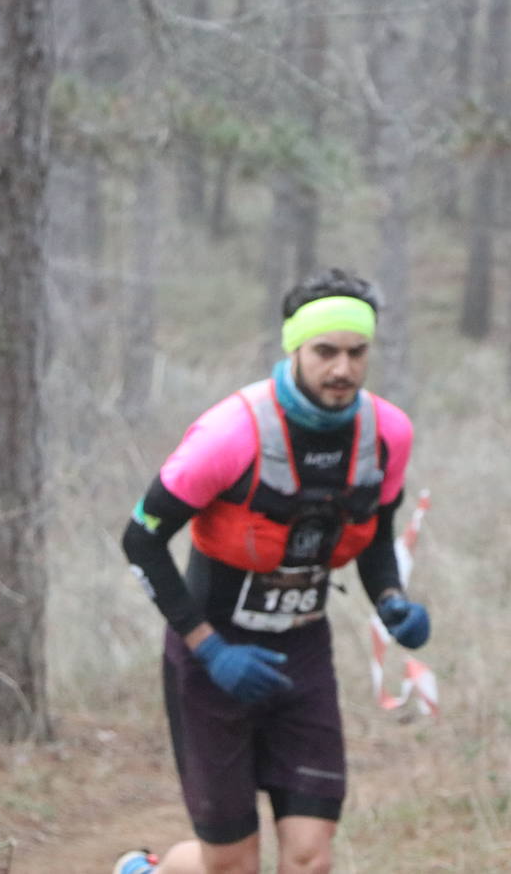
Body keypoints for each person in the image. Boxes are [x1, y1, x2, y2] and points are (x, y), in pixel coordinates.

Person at [114, 269, 431, 874]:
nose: (342, 369)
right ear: (294, 347)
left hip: (302, 657)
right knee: (231, 865)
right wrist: (209, 650)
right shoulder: (229, 434)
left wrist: (391, 599)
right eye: (326, 352)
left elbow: (376, 534)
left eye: (356, 353)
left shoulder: (387, 433)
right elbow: (141, 540)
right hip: (211, 659)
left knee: (310, 859)